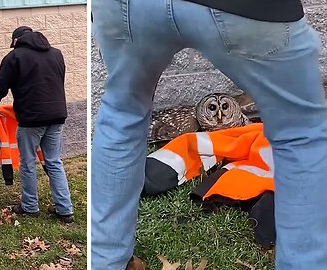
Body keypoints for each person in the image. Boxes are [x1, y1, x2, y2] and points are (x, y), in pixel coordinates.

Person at [91, 0, 326, 269]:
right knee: (301, 134)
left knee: (122, 114)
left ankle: (106, 261)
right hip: (248, 9)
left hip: (128, 6)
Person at [0, 26, 74, 223]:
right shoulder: (57, 54)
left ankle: (30, 206)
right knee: (54, 161)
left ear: (16, 41)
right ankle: (65, 209)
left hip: (31, 119)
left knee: (27, 162)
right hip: (58, 116)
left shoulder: (15, 57)